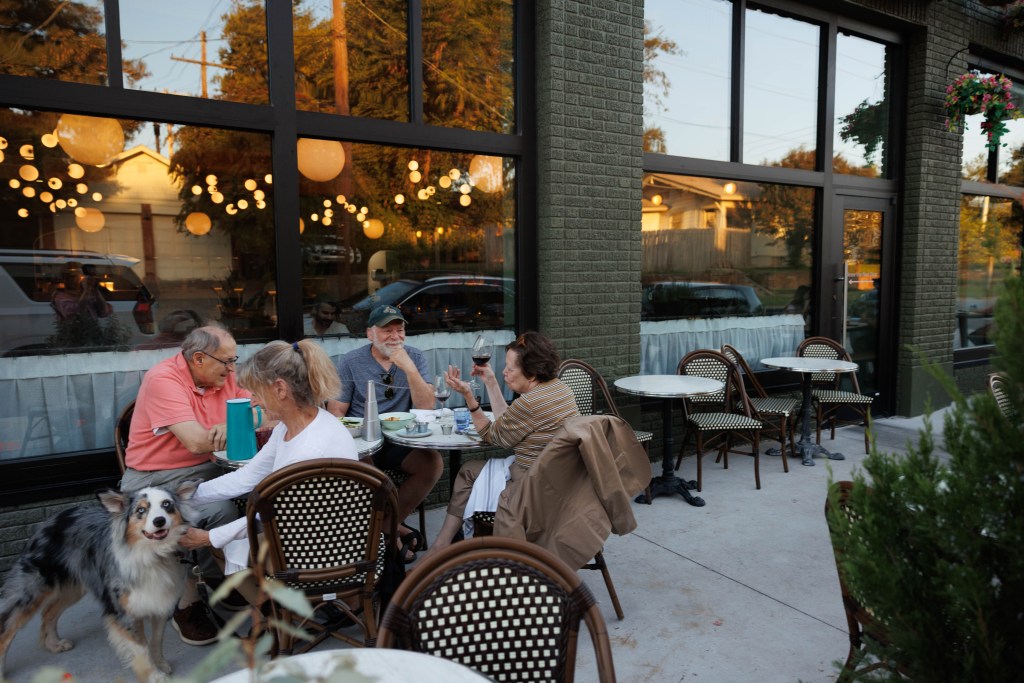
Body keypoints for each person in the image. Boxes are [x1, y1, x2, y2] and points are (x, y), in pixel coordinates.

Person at [179, 339, 356, 604]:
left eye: (257, 392)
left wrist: (208, 537)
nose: (254, 401)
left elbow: (269, 516)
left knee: (223, 546)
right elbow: (248, 476)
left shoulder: (310, 448)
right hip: (320, 533)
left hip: (326, 550)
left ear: (280, 388)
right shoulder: (293, 426)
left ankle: (280, 622)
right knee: (229, 542)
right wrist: (183, 497)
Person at [122, 325, 253, 646]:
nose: (232, 369)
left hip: (210, 470)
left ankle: (221, 576)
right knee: (220, 510)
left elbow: (264, 410)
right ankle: (188, 600)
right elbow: (195, 442)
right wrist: (233, 423)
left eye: (234, 361)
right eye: (226, 361)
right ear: (198, 358)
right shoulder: (163, 379)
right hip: (155, 478)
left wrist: (237, 422)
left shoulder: (223, 375)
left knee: (262, 494)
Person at [420, 331, 580, 559]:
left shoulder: (530, 402)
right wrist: (491, 381)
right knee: (469, 470)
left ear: (532, 372)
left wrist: (469, 398)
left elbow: (492, 436)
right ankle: (445, 545)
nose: (505, 371)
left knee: (469, 473)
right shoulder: (559, 389)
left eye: (510, 368)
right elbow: (509, 421)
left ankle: (453, 547)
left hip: (535, 487)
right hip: (562, 481)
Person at [326, 304, 442, 562]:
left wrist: (409, 368)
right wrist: (356, 434)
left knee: (432, 464)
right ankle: (392, 535)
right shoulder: (351, 361)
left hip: (399, 439)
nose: (394, 336)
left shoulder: (415, 356)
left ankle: (383, 530)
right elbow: (336, 412)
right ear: (370, 334)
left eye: (399, 330)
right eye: (386, 330)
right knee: (375, 480)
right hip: (362, 442)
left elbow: (426, 406)